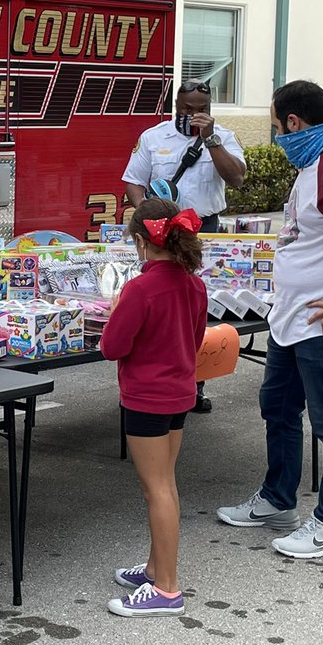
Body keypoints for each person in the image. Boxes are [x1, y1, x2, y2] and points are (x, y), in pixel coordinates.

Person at [217, 80, 323, 559]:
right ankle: (277, 501)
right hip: (294, 319)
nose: (277, 137)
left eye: (277, 128)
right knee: (277, 406)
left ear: (295, 123)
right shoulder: (315, 162)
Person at [100, 198, 208, 617]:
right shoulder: (193, 284)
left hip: (146, 396)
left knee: (156, 488)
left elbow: (113, 347)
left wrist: (114, 315)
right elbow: (195, 338)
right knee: (166, 483)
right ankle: (155, 567)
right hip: (179, 393)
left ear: (143, 243)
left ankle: (166, 588)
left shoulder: (140, 288)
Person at [121, 78, 245, 414]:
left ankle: (194, 386)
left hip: (204, 229)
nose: (193, 114)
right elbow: (134, 182)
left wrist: (212, 140)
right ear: (176, 105)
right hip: (161, 228)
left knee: (196, 309)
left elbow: (236, 178)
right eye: (187, 108)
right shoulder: (153, 137)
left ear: (209, 109)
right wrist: (145, 212)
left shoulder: (224, 138)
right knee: (162, 305)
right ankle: (157, 381)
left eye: (201, 109)